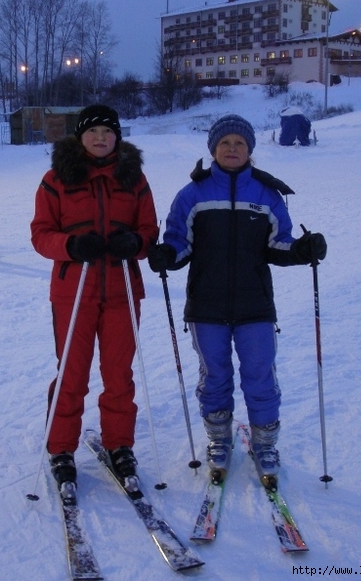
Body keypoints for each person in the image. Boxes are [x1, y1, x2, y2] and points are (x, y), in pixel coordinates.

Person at [147, 114, 327, 488]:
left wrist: (302, 250)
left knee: (260, 374)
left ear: (250, 150)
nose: (232, 149)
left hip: (255, 304)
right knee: (214, 375)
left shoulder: (266, 194)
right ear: (213, 148)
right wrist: (167, 253)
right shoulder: (192, 195)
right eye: (225, 143)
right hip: (206, 304)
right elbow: (180, 242)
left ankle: (265, 443)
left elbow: (279, 244)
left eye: (240, 144)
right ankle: (218, 437)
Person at [30, 104, 159, 489]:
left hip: (121, 290)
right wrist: (71, 245)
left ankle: (120, 444)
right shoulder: (56, 179)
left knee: (119, 374)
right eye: (93, 132)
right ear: (80, 137)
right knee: (72, 374)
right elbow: (40, 234)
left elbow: (149, 229)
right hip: (74, 293)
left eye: (108, 131)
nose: (101, 138)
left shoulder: (133, 178)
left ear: (117, 137)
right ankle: (61, 448)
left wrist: (135, 241)